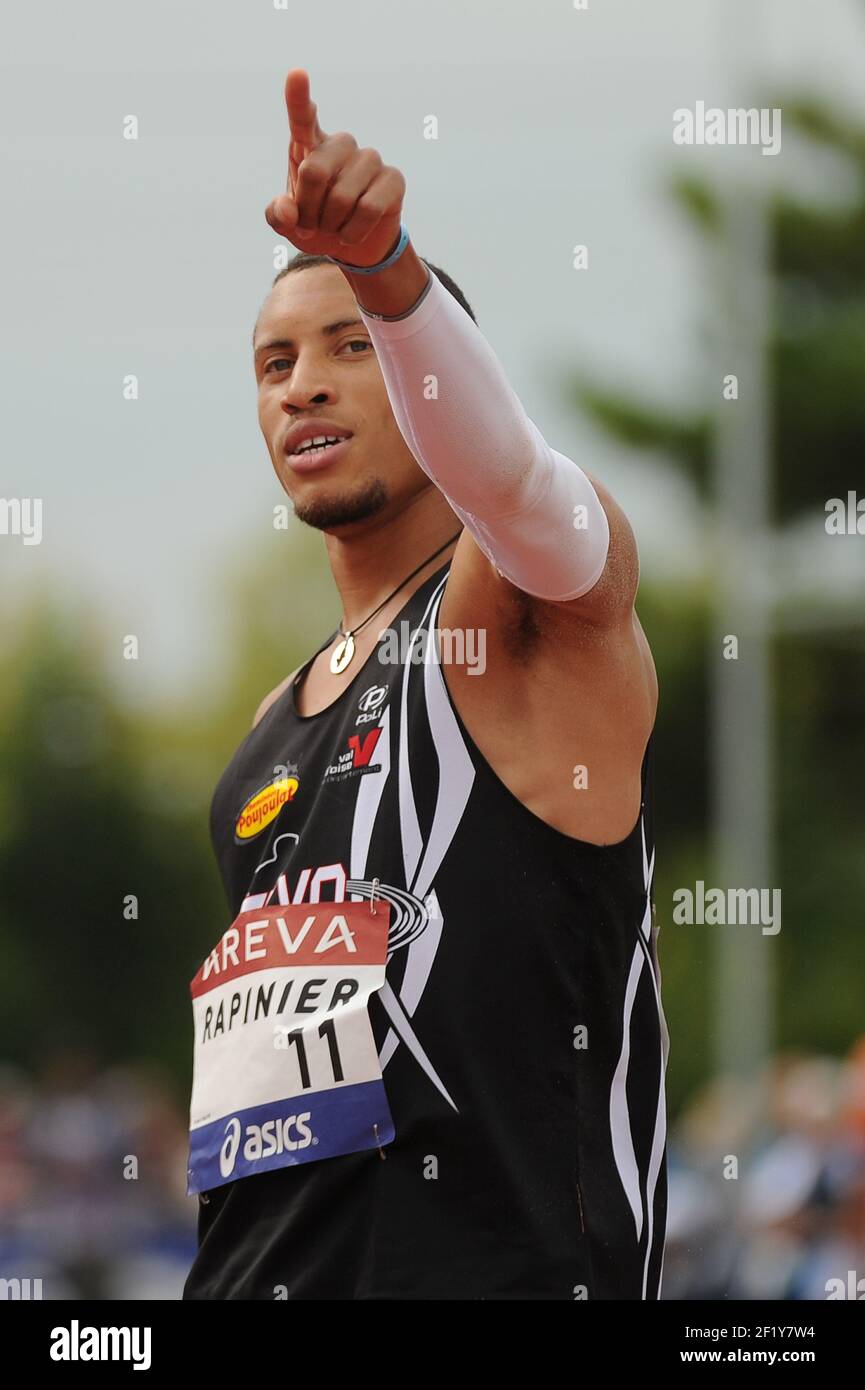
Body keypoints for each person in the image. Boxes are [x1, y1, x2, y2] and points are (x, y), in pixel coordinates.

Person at [182, 68, 669, 1301]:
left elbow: (510, 483)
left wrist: (387, 265)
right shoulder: (267, 726)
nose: (302, 384)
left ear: (430, 378)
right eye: (273, 361)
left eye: (353, 346)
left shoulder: (525, 612)